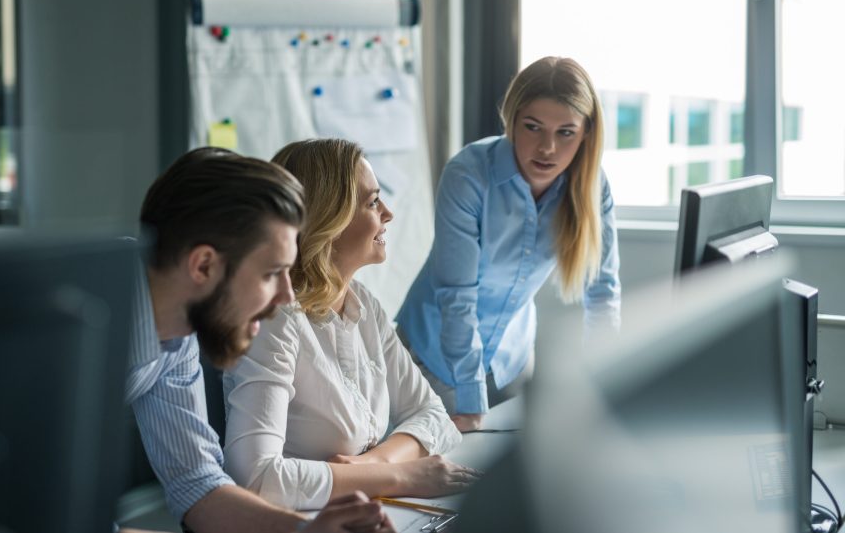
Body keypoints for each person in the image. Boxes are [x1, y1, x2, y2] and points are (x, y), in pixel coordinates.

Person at [127, 147, 396, 533]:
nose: (287, 296)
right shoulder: (71, 321)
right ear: (203, 265)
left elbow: (197, 485)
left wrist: (306, 531)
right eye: (272, 273)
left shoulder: (177, 335)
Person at [222, 139, 477, 510]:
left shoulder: (363, 305)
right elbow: (257, 479)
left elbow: (433, 416)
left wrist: (372, 464)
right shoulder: (275, 317)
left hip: (357, 509)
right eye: (373, 202)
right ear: (330, 219)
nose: (387, 213)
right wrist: (401, 475)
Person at [396, 56, 621, 432]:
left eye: (565, 132)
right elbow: (457, 295)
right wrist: (469, 399)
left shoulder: (592, 186)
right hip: (432, 361)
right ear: (512, 120)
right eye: (533, 127)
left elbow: (602, 293)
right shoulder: (469, 174)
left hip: (510, 361)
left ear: (586, 133)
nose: (547, 148)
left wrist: (609, 386)